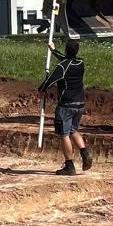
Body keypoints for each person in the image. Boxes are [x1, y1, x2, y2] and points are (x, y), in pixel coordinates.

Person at [39, 36, 91, 176]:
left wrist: (41, 90)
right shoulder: (80, 63)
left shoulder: (62, 67)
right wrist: (53, 51)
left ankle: (69, 166)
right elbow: (66, 60)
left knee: (64, 134)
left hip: (66, 105)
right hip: (79, 104)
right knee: (73, 130)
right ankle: (85, 153)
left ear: (67, 50)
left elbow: (49, 81)